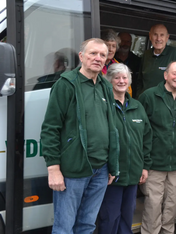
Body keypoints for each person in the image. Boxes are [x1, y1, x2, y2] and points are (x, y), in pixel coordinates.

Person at [40, 38, 119, 233]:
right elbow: (50, 128)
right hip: (73, 170)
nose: (98, 58)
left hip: (101, 170)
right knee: (64, 228)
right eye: (93, 53)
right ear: (82, 57)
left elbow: (112, 128)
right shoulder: (66, 85)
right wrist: (53, 168)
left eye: (102, 55)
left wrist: (113, 165)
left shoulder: (106, 87)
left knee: (87, 225)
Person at [98, 63, 152, 234]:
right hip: (112, 175)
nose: (121, 81)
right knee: (110, 217)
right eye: (117, 77)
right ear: (109, 80)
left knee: (127, 216)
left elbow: (147, 138)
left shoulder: (137, 106)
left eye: (125, 77)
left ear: (129, 81)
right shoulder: (103, 106)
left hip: (133, 173)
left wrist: (144, 166)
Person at [138, 61, 176, 234]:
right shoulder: (149, 96)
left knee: (172, 204)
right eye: (175, 73)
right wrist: (143, 161)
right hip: (154, 162)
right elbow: (140, 130)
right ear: (166, 75)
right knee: (153, 204)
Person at [137, 24, 176, 96]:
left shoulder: (174, 54)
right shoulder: (146, 54)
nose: (158, 39)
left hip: (164, 103)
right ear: (150, 36)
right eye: (155, 35)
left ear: (167, 37)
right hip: (145, 102)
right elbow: (140, 80)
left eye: (162, 35)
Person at [114, 32, 141, 97]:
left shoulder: (138, 61)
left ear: (131, 44)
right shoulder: (111, 59)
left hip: (132, 97)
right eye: (123, 41)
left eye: (128, 41)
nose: (125, 44)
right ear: (117, 42)